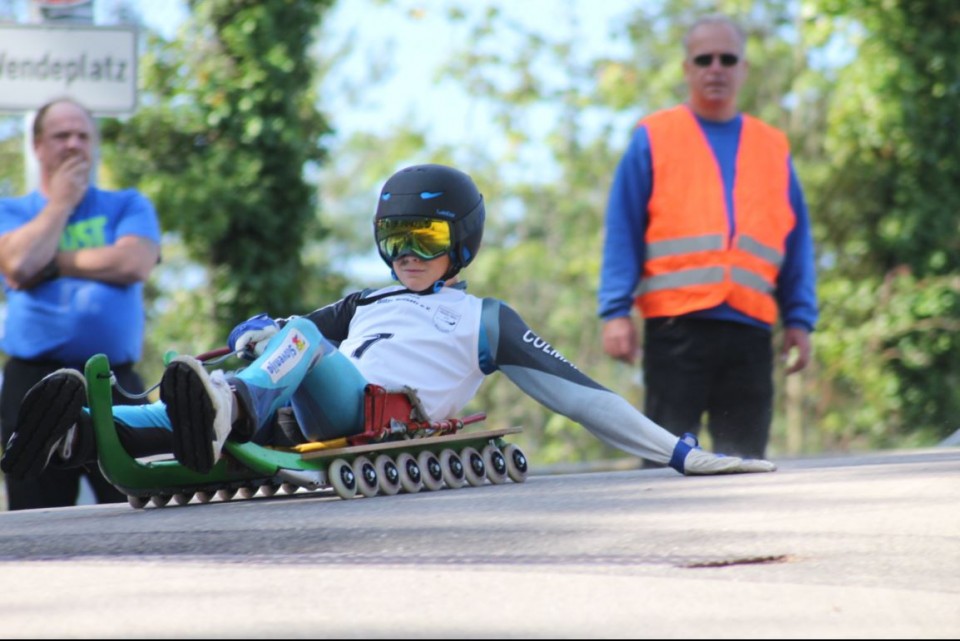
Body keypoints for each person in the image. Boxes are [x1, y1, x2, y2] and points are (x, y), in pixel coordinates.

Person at [0, 163, 775, 489]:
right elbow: (291, 334)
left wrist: (681, 453)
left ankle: (224, 407)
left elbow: (579, 395)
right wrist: (256, 335)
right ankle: (85, 424)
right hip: (303, 396)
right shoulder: (364, 302)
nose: (407, 256)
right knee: (288, 334)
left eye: (426, 243)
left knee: (298, 338)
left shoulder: (485, 318)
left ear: (460, 246)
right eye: (396, 241)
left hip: (376, 414)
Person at [597, 14, 818, 464]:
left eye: (727, 58)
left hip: (751, 331)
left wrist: (800, 319)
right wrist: (615, 311)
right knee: (663, 465)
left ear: (743, 69)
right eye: (704, 58)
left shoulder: (772, 146)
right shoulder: (653, 138)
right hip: (677, 331)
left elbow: (796, 241)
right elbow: (624, 228)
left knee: (745, 463)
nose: (715, 67)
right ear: (687, 68)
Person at [0, 97, 162, 509]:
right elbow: (18, 263)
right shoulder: (12, 210)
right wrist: (60, 205)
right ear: (38, 147)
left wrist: (50, 265)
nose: (73, 144)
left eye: (82, 136)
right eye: (60, 136)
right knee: (36, 515)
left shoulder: (126, 204)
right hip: (33, 382)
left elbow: (133, 261)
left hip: (114, 380)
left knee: (137, 505)